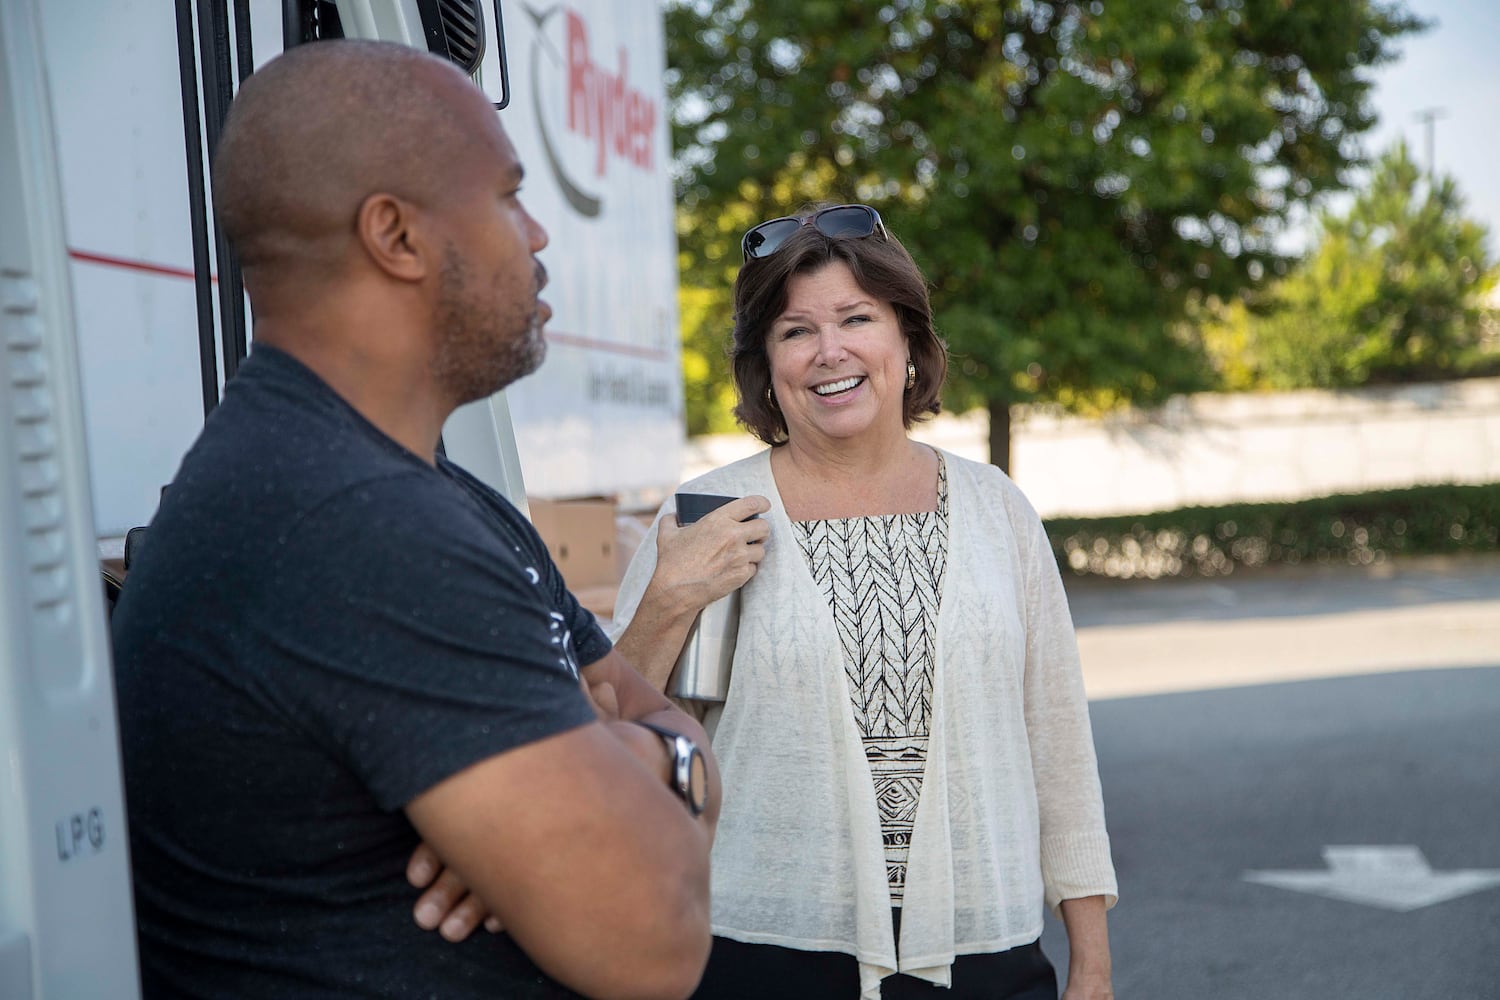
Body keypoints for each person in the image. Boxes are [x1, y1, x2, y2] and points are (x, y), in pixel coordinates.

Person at [111, 39, 720, 1000]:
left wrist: (638, 750)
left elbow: (647, 710)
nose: (538, 235)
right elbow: (660, 942)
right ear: (395, 236)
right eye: (509, 196)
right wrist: (642, 762)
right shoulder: (352, 523)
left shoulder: (428, 498)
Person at [608, 205, 1118, 1000]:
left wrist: (1091, 960)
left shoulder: (997, 511)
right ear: (766, 364)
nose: (829, 352)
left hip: (987, 950)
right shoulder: (708, 514)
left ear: (908, 342)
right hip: (766, 951)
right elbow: (611, 736)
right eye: (794, 331)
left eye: (856, 318)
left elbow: (1058, 745)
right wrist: (669, 601)